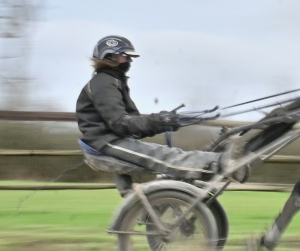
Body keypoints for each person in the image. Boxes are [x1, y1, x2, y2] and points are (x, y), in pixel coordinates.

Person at [76, 35, 246, 182]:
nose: (130, 61)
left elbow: (134, 126)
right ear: (110, 56)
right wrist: (159, 120)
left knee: (166, 153)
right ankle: (222, 162)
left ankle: (215, 161)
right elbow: (121, 123)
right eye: (125, 57)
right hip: (106, 142)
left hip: (113, 139)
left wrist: (163, 122)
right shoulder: (104, 83)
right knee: (164, 157)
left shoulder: (114, 82)